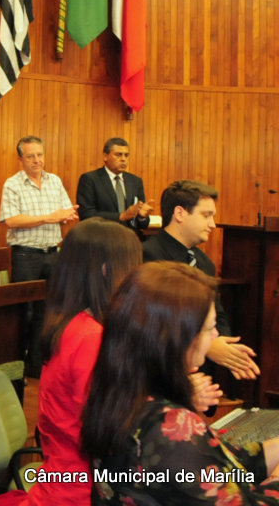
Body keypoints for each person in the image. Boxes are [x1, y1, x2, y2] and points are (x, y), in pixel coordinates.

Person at [81, 262, 279, 503]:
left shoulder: (121, 394)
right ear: (177, 339)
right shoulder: (169, 428)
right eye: (210, 328)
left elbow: (232, 462)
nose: (216, 335)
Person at [0, 218, 144, 505]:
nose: (138, 278)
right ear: (106, 270)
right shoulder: (90, 337)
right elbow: (112, 431)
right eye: (133, 266)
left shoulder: (74, 325)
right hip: (81, 489)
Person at [143, 179, 259, 381]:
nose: (212, 224)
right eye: (206, 215)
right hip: (163, 375)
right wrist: (206, 345)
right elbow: (154, 322)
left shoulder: (205, 263)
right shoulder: (149, 256)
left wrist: (224, 345)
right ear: (180, 213)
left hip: (201, 377)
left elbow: (217, 312)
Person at [0, 135, 79, 376]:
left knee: (48, 312)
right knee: (24, 312)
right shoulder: (12, 184)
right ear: (20, 159)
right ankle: (15, 366)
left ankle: (35, 364)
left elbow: (65, 212)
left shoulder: (54, 181)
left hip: (53, 254)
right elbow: (11, 220)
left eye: (40, 155)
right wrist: (49, 217)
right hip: (26, 256)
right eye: (31, 156)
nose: (37, 160)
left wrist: (67, 216)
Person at [76, 137, 152, 230]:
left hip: (130, 236)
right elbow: (86, 215)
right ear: (105, 156)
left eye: (126, 155)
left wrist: (142, 217)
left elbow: (143, 224)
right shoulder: (90, 179)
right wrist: (121, 216)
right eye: (118, 155)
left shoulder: (135, 181)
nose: (123, 159)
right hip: (102, 235)